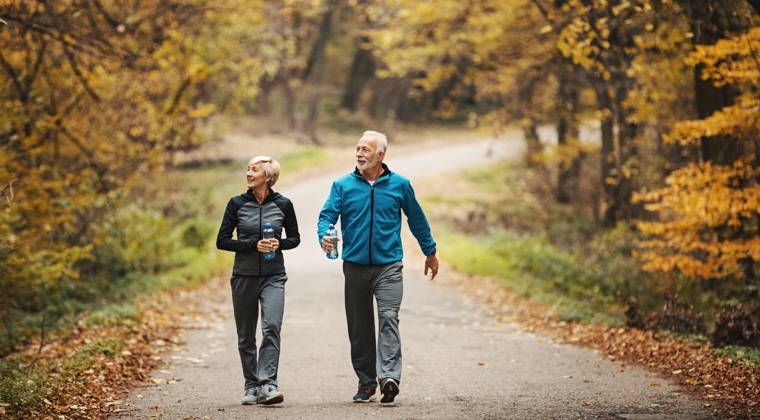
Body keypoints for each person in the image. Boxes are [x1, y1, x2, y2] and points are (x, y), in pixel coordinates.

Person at [318, 130, 439, 404]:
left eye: (365, 150)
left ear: (380, 156)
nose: (359, 153)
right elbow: (327, 217)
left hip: (389, 266)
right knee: (359, 328)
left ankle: (389, 378)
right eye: (357, 148)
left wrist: (429, 252)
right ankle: (366, 382)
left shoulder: (400, 185)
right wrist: (325, 236)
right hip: (355, 266)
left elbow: (416, 219)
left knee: (388, 317)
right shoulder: (343, 185)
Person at [216, 155, 300, 405]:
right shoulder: (236, 204)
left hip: (274, 276)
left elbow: (295, 238)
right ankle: (251, 386)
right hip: (244, 276)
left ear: (268, 176)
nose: (249, 174)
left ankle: (269, 384)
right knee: (245, 335)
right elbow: (222, 240)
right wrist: (254, 245)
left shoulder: (284, 204)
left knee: (271, 326)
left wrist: (279, 243)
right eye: (248, 169)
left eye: (254, 170)